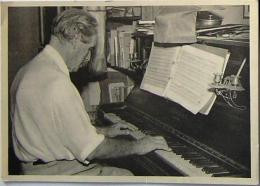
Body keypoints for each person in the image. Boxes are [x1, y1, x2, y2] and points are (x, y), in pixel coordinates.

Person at [10, 8, 171, 176]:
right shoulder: (58, 84)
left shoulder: (29, 70)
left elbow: (55, 128)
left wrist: (102, 131)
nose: (87, 58)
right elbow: (93, 150)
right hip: (59, 173)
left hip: (33, 168)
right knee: (129, 176)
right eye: (88, 49)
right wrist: (138, 146)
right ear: (77, 38)